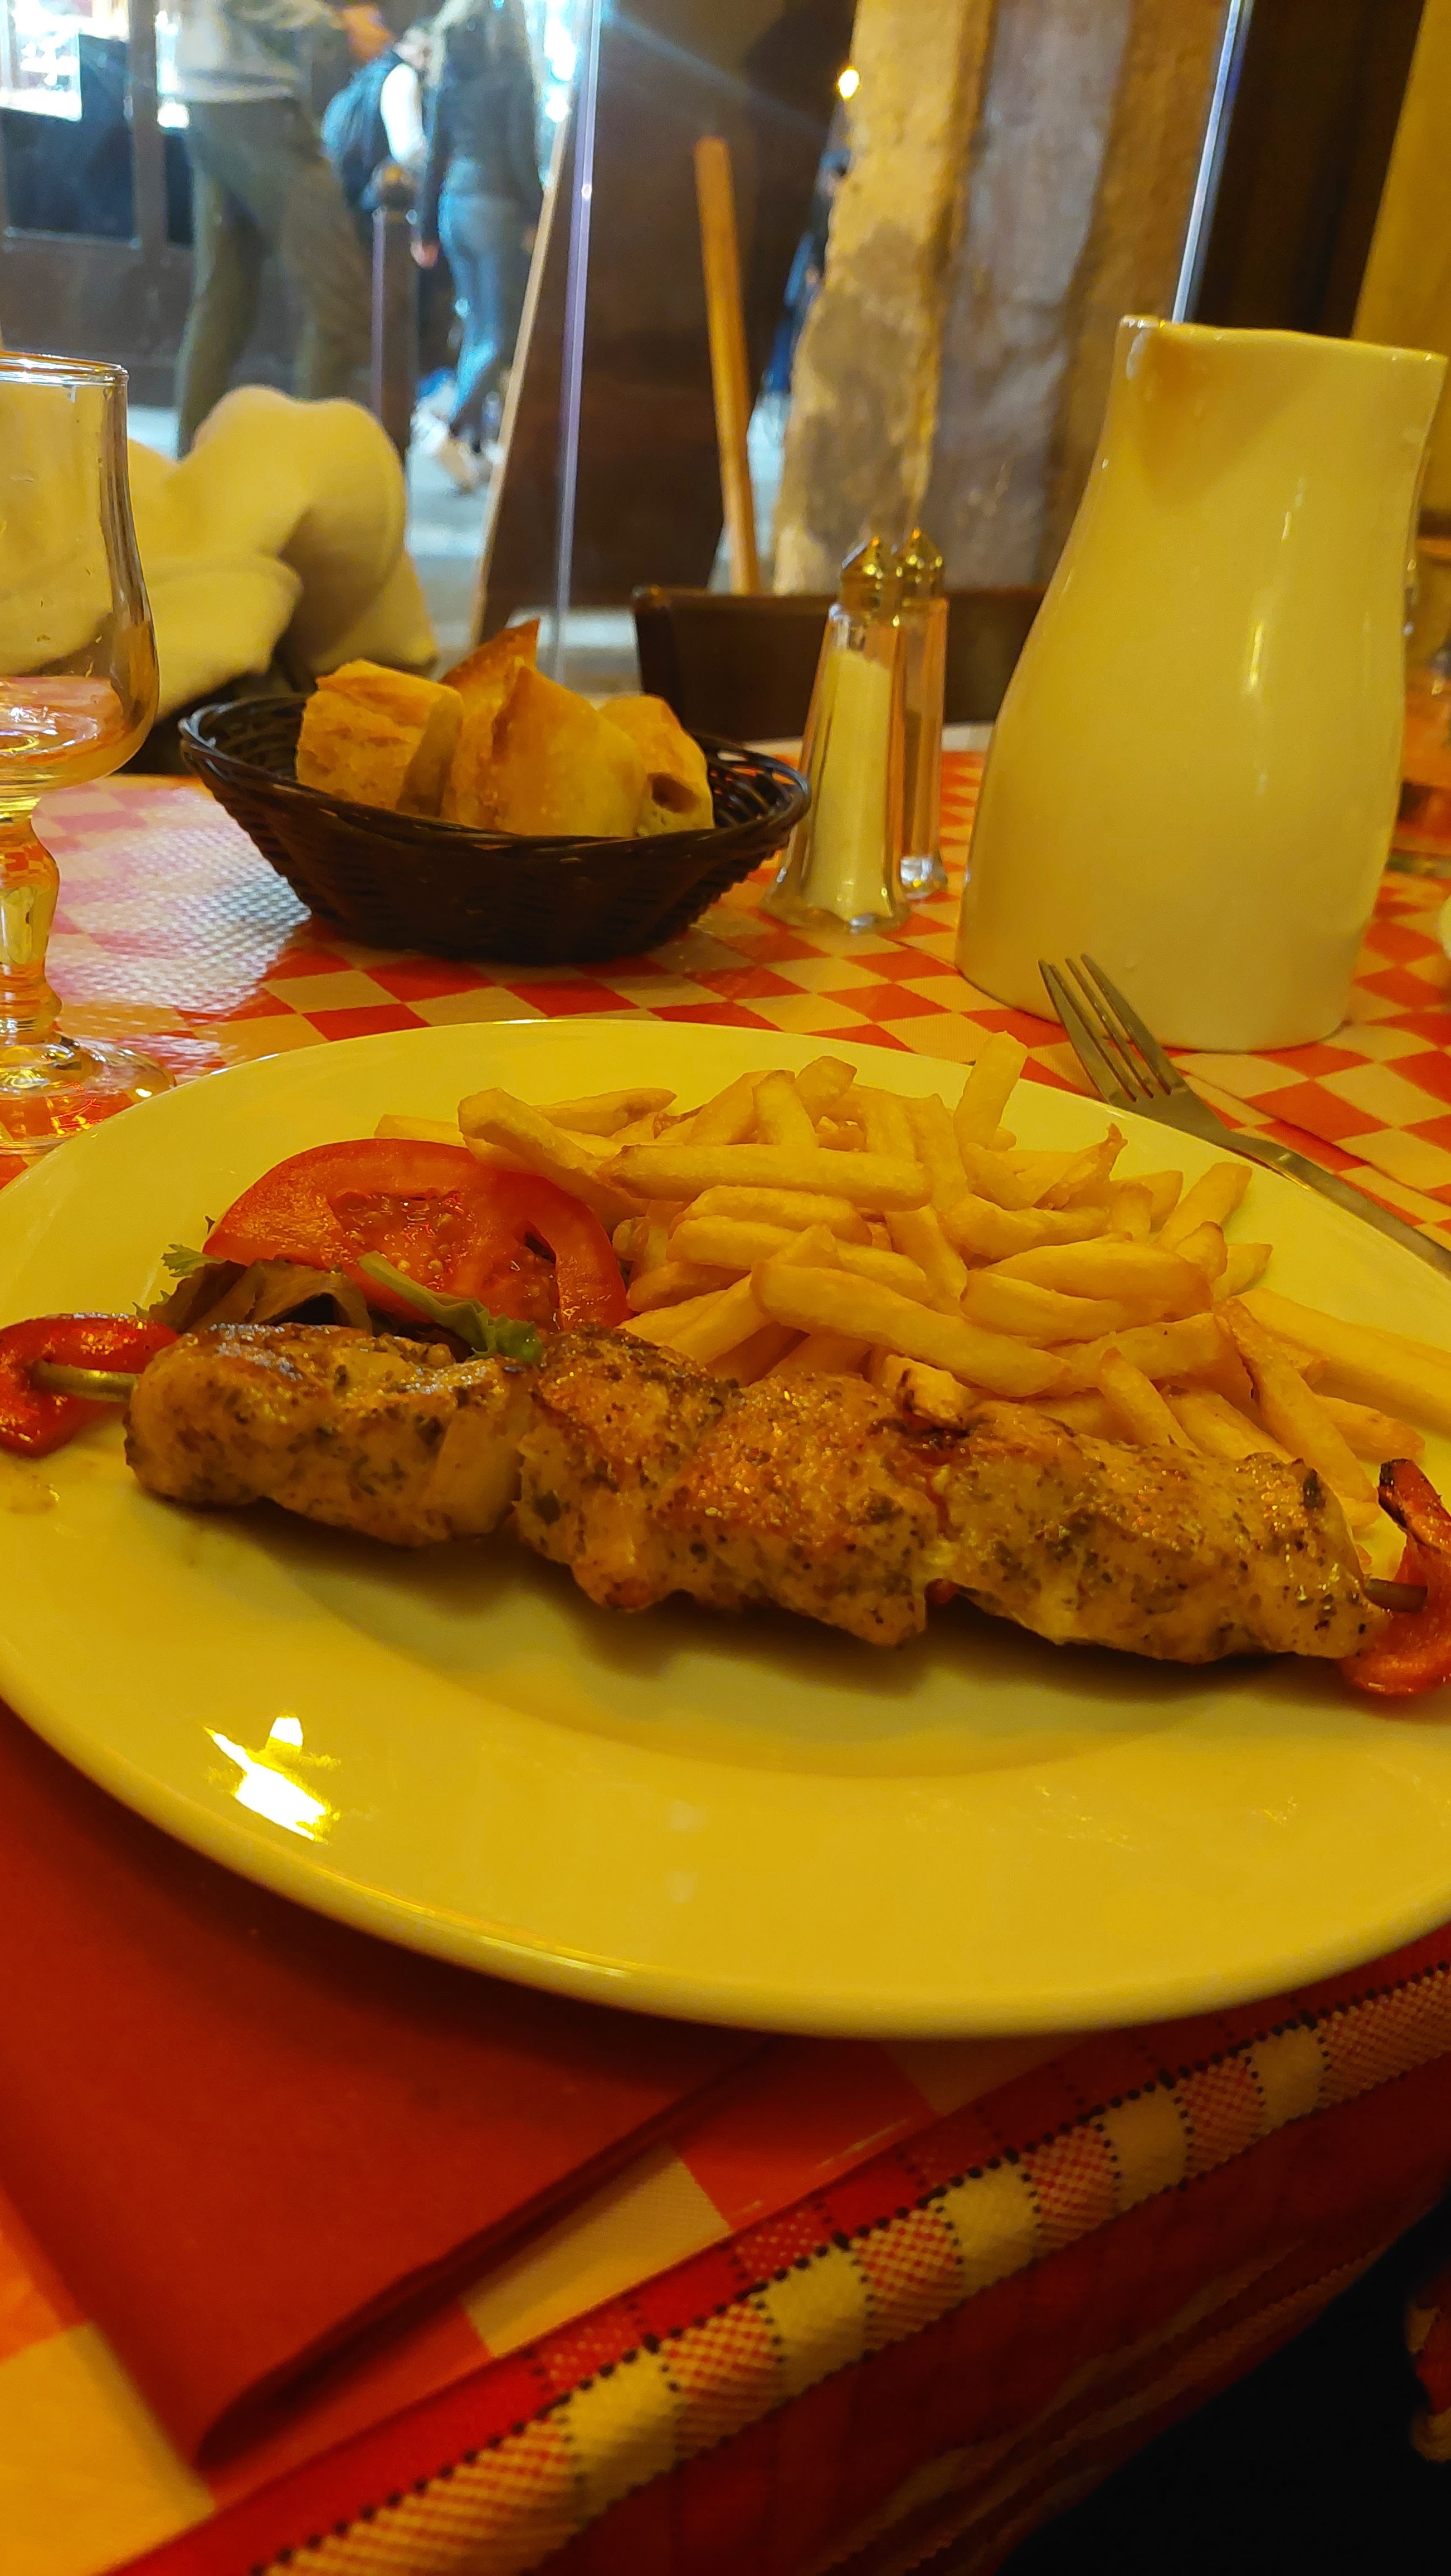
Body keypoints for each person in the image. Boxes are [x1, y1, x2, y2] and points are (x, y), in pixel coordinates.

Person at [174, 0, 393, 452]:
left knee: (223, 305)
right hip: (256, 103)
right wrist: (335, 24)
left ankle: (189, 475)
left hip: (211, 98)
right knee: (340, 308)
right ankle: (305, 477)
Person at [411, 0, 540, 493]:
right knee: (499, 335)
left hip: (454, 208)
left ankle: (474, 445)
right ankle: (449, 427)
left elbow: (436, 155)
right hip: (496, 207)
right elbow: (520, 153)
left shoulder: (450, 76)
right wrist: (540, 212)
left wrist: (425, 229)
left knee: (478, 327)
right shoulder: (513, 74)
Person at [322, 16, 432, 233]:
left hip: (349, 191)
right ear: (425, 51)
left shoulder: (372, 74)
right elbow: (408, 151)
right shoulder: (403, 77)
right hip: (373, 199)